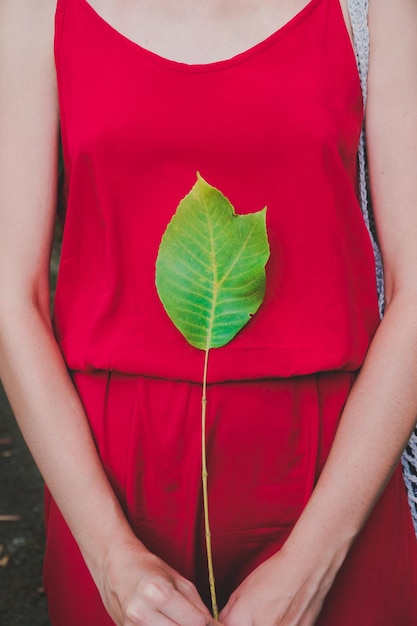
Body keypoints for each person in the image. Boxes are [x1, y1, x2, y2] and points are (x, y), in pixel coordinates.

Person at [1, 0, 417, 624]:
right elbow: (11, 298)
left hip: (340, 467)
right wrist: (110, 553)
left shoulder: (377, 9)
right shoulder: (33, 10)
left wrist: (316, 560)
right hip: (110, 479)